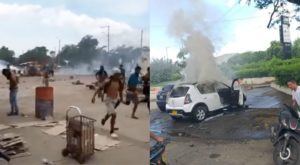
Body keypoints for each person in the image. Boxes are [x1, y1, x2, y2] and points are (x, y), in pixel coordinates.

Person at [92, 67, 123, 138]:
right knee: (114, 114)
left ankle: (104, 119)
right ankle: (112, 130)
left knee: (110, 113)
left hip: (115, 100)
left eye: (119, 74)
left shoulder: (119, 82)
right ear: (114, 74)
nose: (118, 76)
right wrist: (93, 97)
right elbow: (99, 88)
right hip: (108, 100)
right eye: (117, 74)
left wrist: (121, 99)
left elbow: (120, 91)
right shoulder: (108, 81)